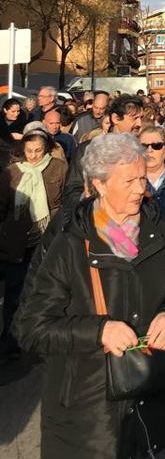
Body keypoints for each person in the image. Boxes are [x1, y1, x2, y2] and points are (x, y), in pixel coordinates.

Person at [13, 132, 165, 459]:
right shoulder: (68, 244)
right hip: (85, 417)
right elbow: (30, 326)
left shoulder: (160, 232)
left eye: (142, 178)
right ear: (96, 184)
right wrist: (98, 331)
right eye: (127, 181)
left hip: (150, 408)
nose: (139, 188)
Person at [0, 130, 67, 360]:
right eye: (29, 151)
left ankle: (42, 340)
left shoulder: (58, 168)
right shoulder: (12, 172)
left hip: (48, 239)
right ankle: (11, 339)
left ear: (46, 149)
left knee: (45, 293)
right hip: (16, 243)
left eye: (38, 151)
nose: (34, 156)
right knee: (14, 292)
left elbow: (67, 200)